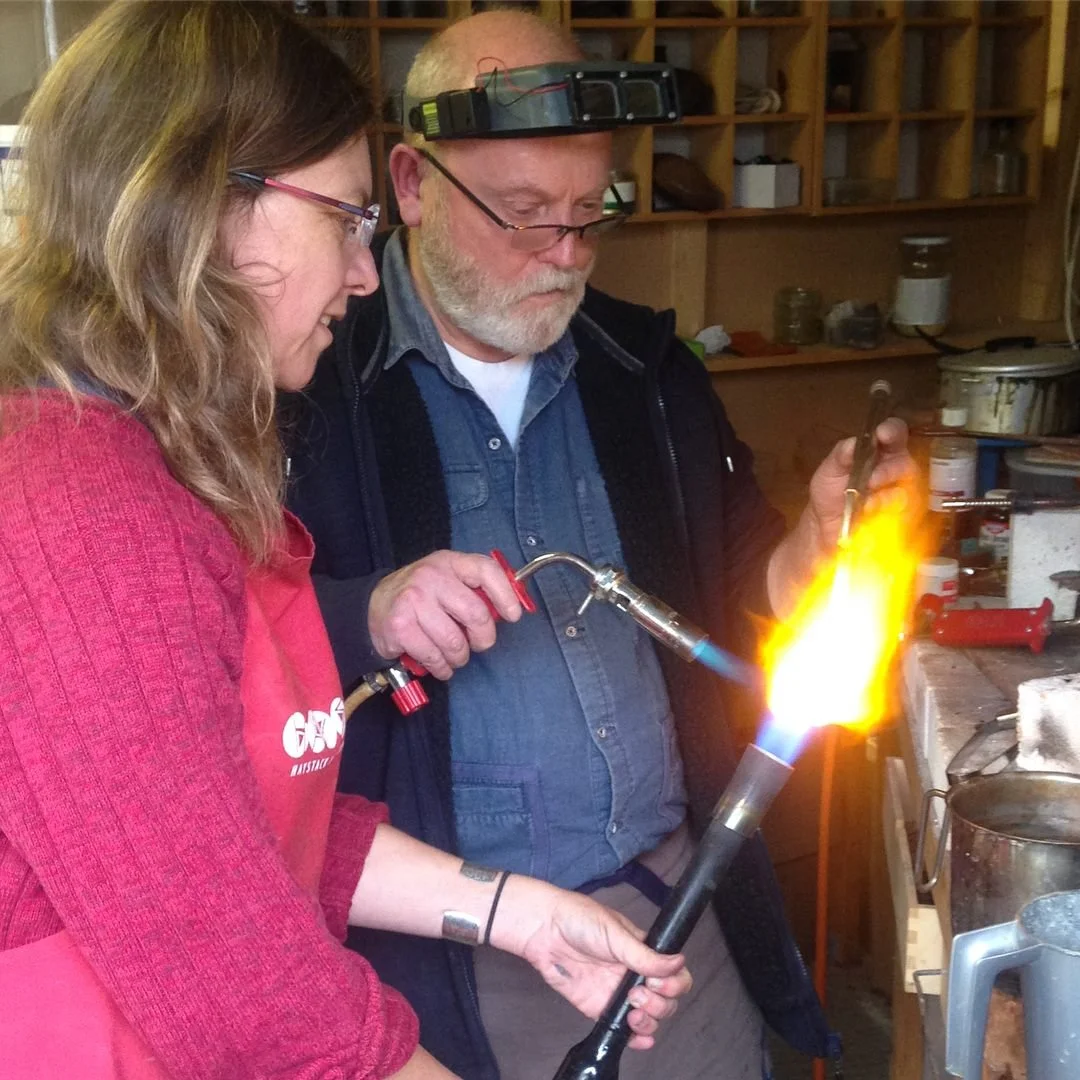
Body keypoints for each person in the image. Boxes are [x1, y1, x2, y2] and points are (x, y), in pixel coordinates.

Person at [0, 5, 695, 1079]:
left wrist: (514, 912)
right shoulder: (81, 507)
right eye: (346, 221)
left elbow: (247, 832)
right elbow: (238, 984)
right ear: (205, 208)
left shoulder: (155, 460)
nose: (367, 274)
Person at [284, 9, 914, 1080]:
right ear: (413, 183)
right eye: (526, 215)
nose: (566, 255)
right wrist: (368, 611)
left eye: (591, 213)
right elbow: (220, 661)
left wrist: (816, 541)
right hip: (445, 953)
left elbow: (746, 576)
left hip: (678, 923)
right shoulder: (305, 389)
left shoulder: (645, 372)